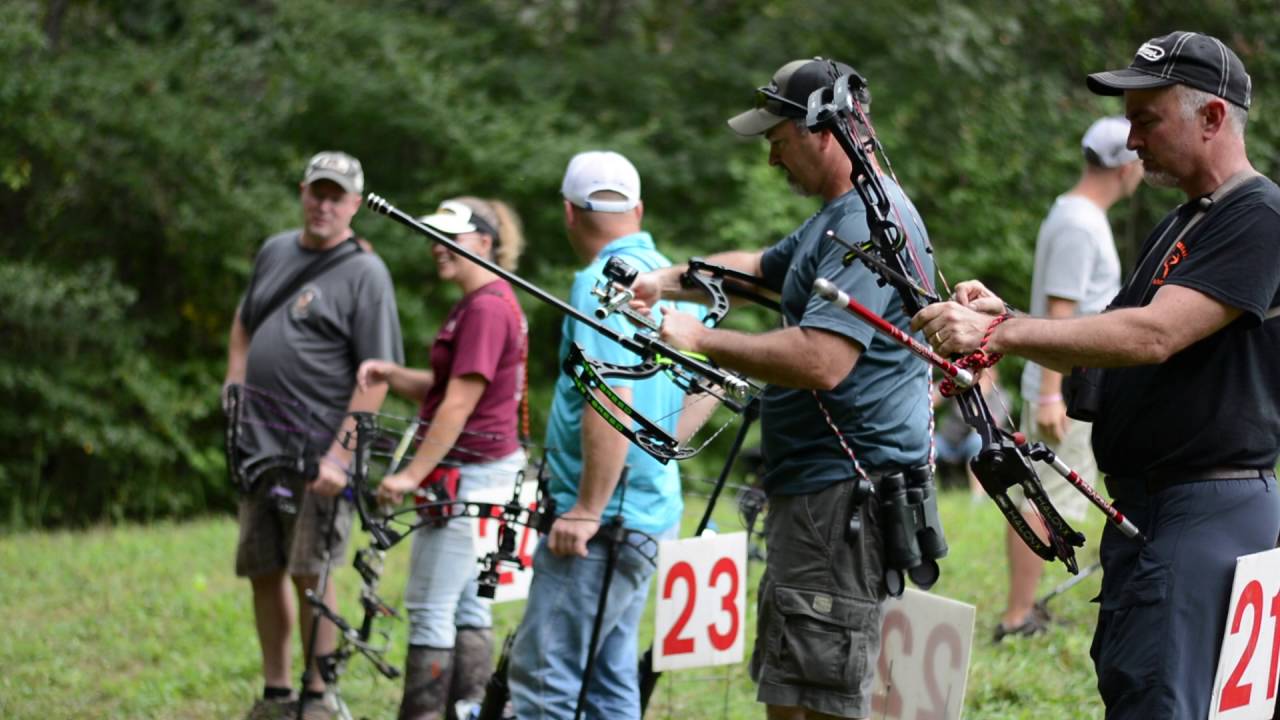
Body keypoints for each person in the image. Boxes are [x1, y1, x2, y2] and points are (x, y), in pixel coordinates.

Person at [912, 31, 1280, 719]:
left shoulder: (1258, 216)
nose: (1132, 142)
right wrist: (1002, 324)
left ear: (1213, 117)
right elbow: (1100, 342)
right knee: (1136, 690)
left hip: (1205, 513)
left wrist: (1000, 332)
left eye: (1147, 119)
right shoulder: (1181, 224)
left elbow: (1154, 335)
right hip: (1153, 512)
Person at [630, 58, 934, 720]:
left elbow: (824, 359)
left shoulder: (866, 225)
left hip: (843, 496)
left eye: (779, 139)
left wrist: (701, 339)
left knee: (819, 698)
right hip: (818, 494)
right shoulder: (838, 216)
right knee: (793, 689)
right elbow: (764, 269)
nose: (772, 158)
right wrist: (668, 277)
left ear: (824, 130)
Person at [506, 151, 696, 720]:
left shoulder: (598, 284)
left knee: (545, 679)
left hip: (605, 525)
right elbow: (710, 383)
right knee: (609, 679)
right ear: (638, 210)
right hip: (649, 513)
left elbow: (610, 396)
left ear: (569, 213)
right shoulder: (671, 277)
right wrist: (658, 452)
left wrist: (587, 508)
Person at [224, 151, 404, 720]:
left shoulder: (366, 273)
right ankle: (277, 692)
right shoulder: (276, 250)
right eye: (317, 192)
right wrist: (233, 387)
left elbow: (377, 375)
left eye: (338, 196)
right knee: (262, 567)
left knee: (313, 571)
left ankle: (318, 692)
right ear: (303, 192)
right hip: (258, 446)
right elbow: (244, 321)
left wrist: (339, 455)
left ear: (355, 204)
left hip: (319, 452)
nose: (324, 205)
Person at [357, 198, 528, 720]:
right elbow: (445, 387)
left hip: (470, 480)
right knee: (469, 605)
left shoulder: (484, 308)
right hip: (491, 473)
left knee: (432, 609)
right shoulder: (487, 301)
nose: (437, 246)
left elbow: (459, 402)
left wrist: (410, 474)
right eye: (433, 236)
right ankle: (470, 711)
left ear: (484, 242)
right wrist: (393, 375)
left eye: (449, 236)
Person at [995, 117, 1144, 642]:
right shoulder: (1082, 224)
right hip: (1067, 389)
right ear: (1125, 167)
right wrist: (1056, 393)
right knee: (1047, 500)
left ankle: (1024, 607)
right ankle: (1017, 617)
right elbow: (1060, 308)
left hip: (1063, 385)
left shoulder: (1070, 212)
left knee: (1043, 497)